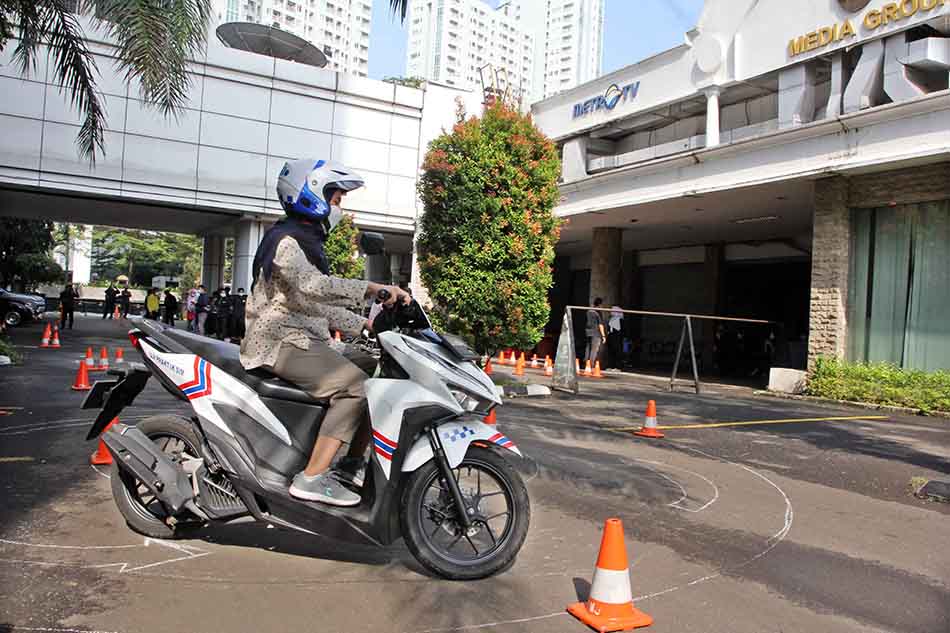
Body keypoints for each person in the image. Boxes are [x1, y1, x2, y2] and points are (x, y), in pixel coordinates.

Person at [240, 158, 408, 506]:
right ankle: (311, 477)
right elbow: (312, 287)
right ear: (311, 195)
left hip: (301, 333)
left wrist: (365, 324)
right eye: (336, 200)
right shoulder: (285, 241)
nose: (339, 209)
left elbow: (310, 304)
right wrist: (372, 288)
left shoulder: (305, 241)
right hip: (278, 340)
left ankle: (349, 465)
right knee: (355, 388)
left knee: (372, 370)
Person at [585, 297, 606, 367]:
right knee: (594, 349)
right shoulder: (598, 312)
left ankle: (586, 363)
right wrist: (603, 336)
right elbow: (600, 325)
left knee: (588, 348)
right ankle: (591, 365)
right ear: (600, 304)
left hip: (588, 332)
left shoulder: (589, 311)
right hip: (596, 333)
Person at [606, 306, 624, 370]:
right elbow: (609, 329)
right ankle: (611, 366)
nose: (611, 312)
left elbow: (621, 331)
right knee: (610, 352)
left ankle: (618, 367)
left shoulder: (620, 320)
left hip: (617, 338)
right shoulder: (611, 319)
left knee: (617, 352)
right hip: (611, 337)